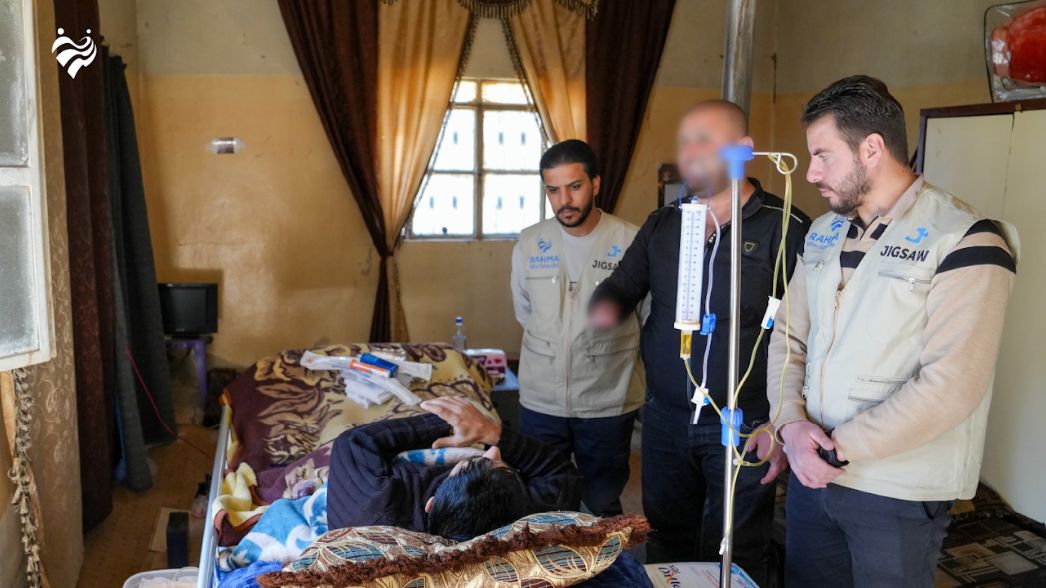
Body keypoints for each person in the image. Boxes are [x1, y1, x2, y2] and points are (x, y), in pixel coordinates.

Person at [768, 75, 1018, 587]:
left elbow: (952, 385)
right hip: (812, 474)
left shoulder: (964, 238)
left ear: (872, 149)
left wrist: (838, 447)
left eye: (823, 155)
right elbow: (789, 337)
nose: (811, 173)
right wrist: (790, 424)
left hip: (897, 488)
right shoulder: (822, 233)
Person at [588, 100, 809, 584]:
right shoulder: (665, 224)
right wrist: (603, 307)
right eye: (685, 141)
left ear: (743, 149)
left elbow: (807, 336)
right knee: (667, 538)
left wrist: (782, 420)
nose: (689, 152)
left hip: (746, 419)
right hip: (666, 419)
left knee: (738, 544)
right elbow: (624, 286)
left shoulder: (786, 227)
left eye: (704, 140)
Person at [510, 139, 644, 518]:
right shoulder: (530, 242)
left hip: (607, 399)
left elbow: (647, 316)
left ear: (595, 184)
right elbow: (525, 312)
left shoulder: (631, 241)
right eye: (553, 190)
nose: (564, 200)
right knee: (541, 503)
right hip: (541, 401)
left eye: (574, 186)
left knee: (601, 504)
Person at [326, 396, 582, 541]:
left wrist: (449, 424)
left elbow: (353, 441)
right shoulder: (526, 518)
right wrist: (490, 431)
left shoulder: (373, 509)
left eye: (472, 464)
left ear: (431, 504)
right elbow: (562, 474)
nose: (494, 450)